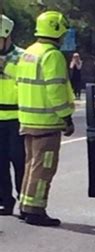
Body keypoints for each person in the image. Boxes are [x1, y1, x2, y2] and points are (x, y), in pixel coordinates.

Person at [16, 11, 75, 226]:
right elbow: (56, 90)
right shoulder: (52, 55)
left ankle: (25, 205)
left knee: (32, 164)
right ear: (57, 30)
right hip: (47, 122)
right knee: (44, 167)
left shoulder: (29, 52)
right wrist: (66, 117)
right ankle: (35, 209)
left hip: (27, 119)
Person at [0, 15, 25, 216]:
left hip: (17, 118)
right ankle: (4, 201)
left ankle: (25, 199)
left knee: (19, 160)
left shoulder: (22, 58)